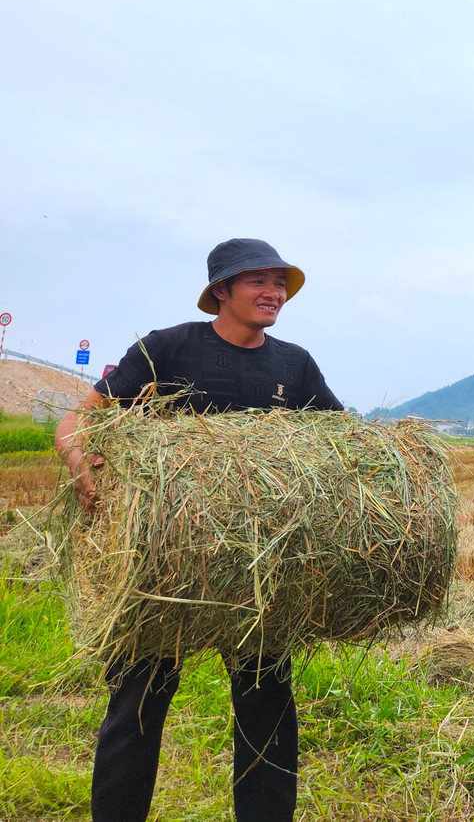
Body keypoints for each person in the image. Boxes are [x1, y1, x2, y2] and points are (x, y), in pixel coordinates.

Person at [54, 238, 342, 822]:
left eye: (280, 282)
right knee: (136, 705)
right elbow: (79, 418)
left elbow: (344, 445)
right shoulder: (169, 347)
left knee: (268, 708)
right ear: (221, 292)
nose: (274, 292)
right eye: (258, 281)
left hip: (258, 572)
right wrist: (81, 465)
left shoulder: (295, 365)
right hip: (160, 567)